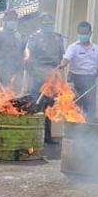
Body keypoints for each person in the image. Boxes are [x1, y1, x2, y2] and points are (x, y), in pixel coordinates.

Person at [25, 13, 65, 143]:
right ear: (41, 23)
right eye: (45, 22)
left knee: (50, 106)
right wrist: (35, 74)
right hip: (37, 75)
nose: (48, 24)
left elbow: (60, 58)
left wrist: (59, 75)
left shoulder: (58, 38)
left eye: (50, 22)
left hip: (53, 75)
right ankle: (34, 135)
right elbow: (29, 57)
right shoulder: (34, 37)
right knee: (37, 105)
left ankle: (47, 136)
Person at [58, 21, 98, 123]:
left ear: (90, 33)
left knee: (90, 106)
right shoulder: (73, 47)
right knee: (75, 105)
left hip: (90, 80)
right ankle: (73, 130)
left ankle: (89, 129)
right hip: (75, 79)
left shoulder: (95, 48)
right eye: (81, 33)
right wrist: (62, 65)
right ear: (78, 33)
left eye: (85, 33)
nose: (83, 35)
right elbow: (66, 59)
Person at [0, 10, 26, 95]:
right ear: (5, 20)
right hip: (1, 71)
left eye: (15, 19)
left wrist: (21, 72)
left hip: (16, 72)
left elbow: (22, 54)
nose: (13, 21)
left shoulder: (19, 36)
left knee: (13, 98)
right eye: (11, 18)